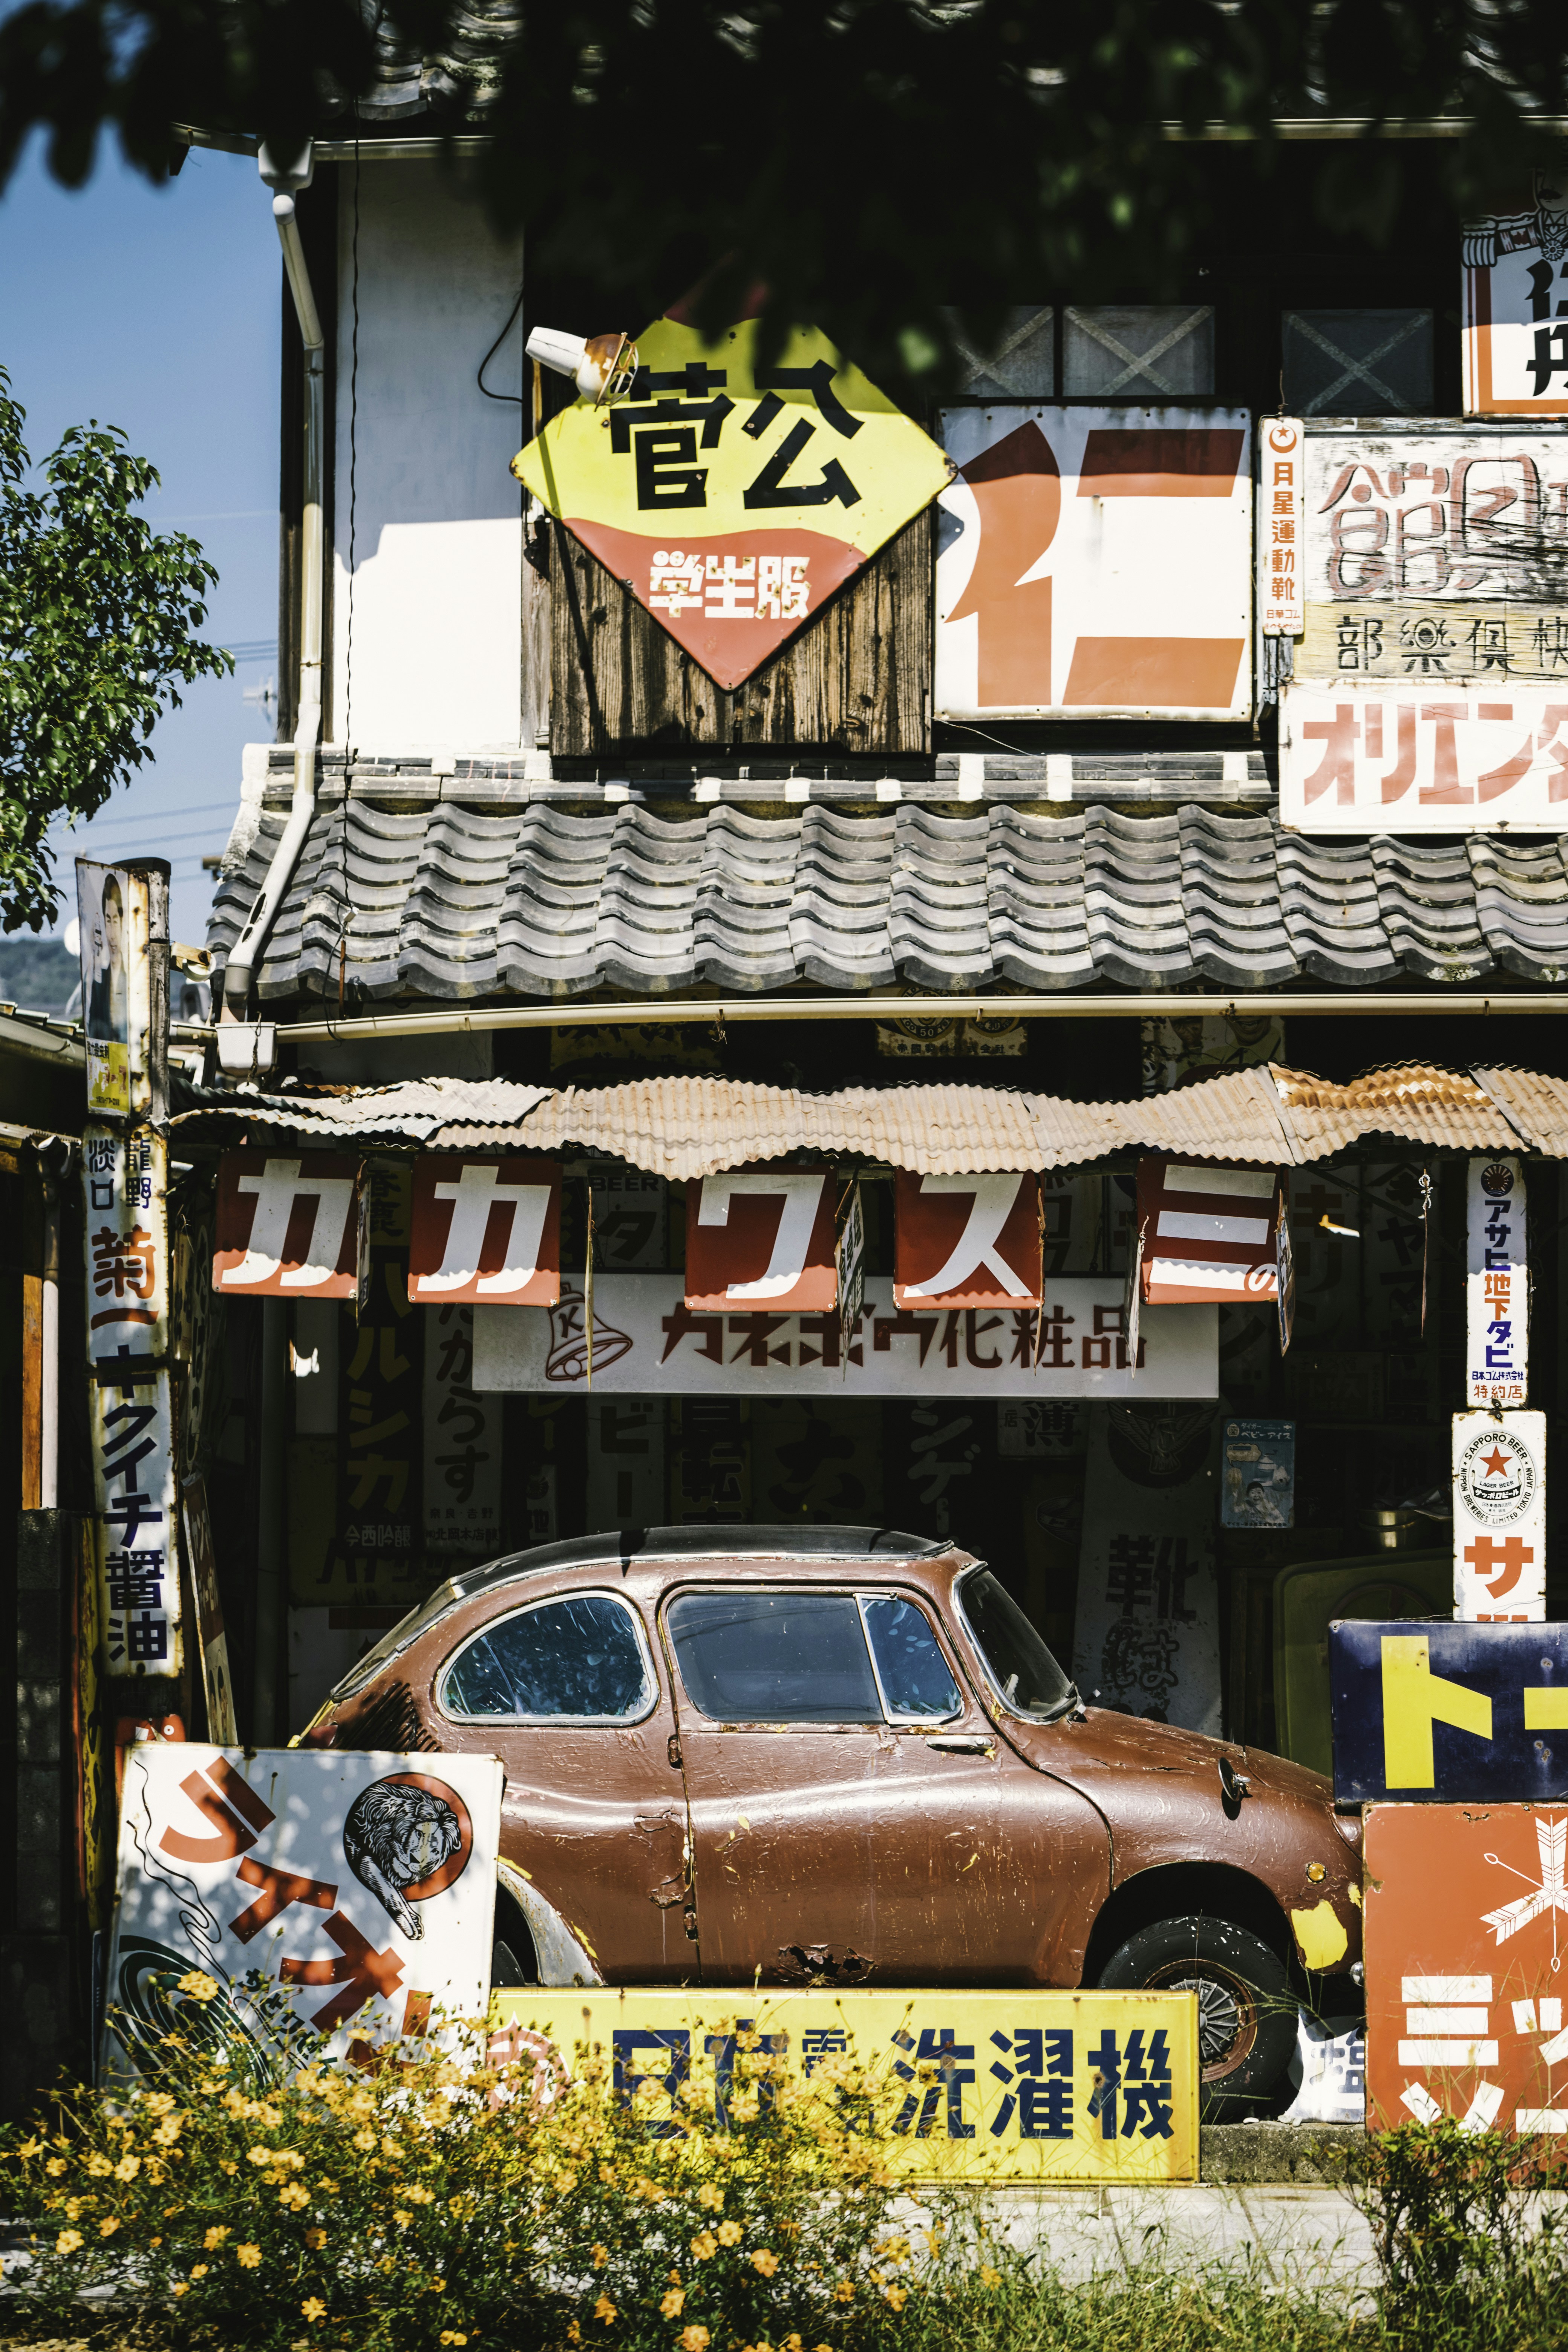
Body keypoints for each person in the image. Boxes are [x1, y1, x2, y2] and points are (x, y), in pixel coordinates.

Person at [86, 873, 128, 1044]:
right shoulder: (100, 982)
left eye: (116, 922)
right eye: (108, 921)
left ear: (124, 922)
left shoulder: (137, 977)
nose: (111, 935)